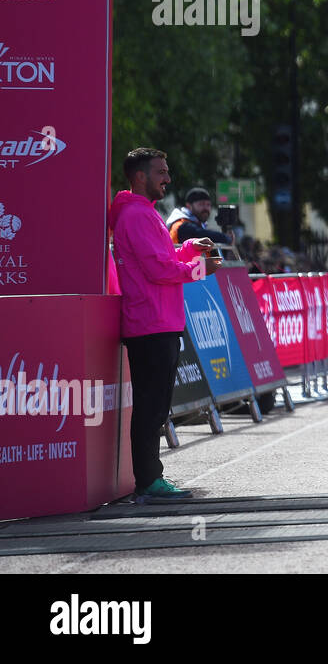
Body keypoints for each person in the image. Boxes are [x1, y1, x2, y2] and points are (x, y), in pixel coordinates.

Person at [110, 148, 215, 502]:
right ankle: (149, 482)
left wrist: (188, 247)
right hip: (150, 323)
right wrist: (199, 269)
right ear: (140, 177)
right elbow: (158, 270)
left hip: (157, 321)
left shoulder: (144, 214)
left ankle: (150, 480)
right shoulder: (137, 216)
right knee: (152, 407)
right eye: (161, 172)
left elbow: (162, 258)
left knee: (155, 406)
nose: (167, 179)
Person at [166, 187, 231, 246]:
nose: (206, 208)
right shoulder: (180, 225)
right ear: (189, 206)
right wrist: (226, 238)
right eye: (201, 204)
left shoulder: (197, 224)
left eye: (208, 205)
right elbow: (200, 234)